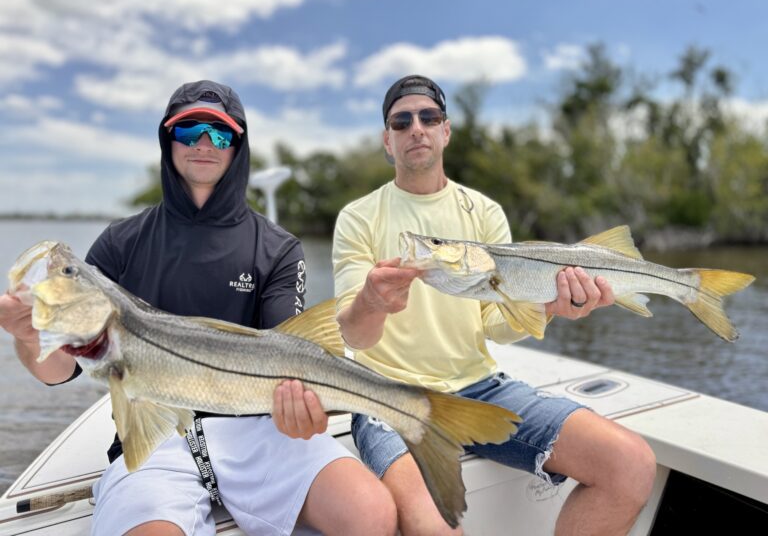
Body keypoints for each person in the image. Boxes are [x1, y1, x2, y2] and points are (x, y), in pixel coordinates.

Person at [0, 80, 396, 536]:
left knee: (372, 514)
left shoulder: (277, 248)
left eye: (220, 134)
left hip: (260, 432)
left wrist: (308, 412)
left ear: (238, 146)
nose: (205, 144)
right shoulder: (120, 242)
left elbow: (293, 357)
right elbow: (59, 371)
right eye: (189, 132)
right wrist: (29, 337)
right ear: (169, 141)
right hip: (152, 437)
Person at [333, 74, 657, 536]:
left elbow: (496, 324)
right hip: (389, 397)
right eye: (401, 122)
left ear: (446, 131)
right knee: (436, 526)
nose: (416, 129)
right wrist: (371, 301)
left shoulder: (482, 211)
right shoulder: (358, 217)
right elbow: (354, 335)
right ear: (388, 141)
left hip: (481, 387)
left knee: (632, 465)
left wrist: (549, 307)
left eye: (429, 117)